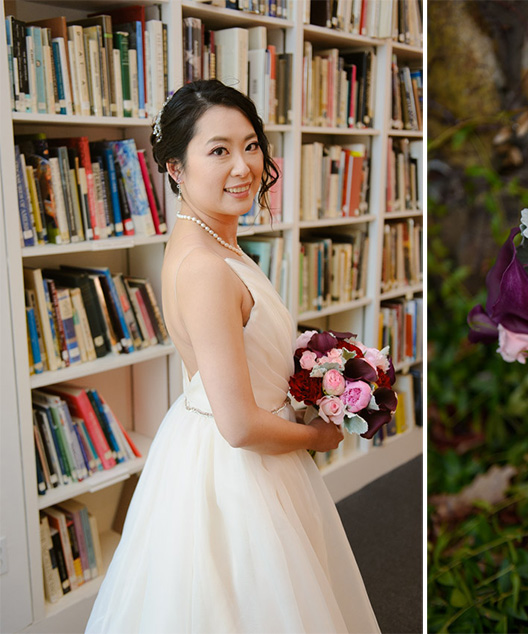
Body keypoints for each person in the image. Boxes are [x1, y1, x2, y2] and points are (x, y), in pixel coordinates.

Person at [86, 80, 381, 633]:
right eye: (218, 150)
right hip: (236, 468)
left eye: (250, 145)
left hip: (220, 451)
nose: (243, 165)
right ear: (176, 168)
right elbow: (241, 426)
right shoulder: (205, 268)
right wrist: (320, 435)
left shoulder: (213, 242)